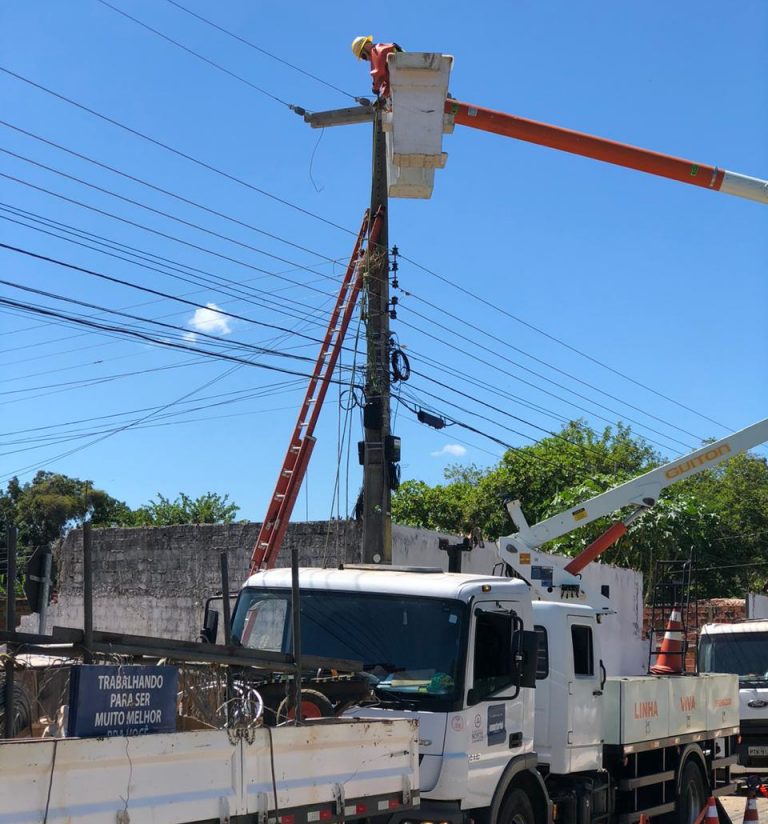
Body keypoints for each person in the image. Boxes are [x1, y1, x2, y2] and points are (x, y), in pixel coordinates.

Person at [351, 36, 403, 100]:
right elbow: (387, 77)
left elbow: (379, 73)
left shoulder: (377, 50)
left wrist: (375, 88)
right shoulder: (382, 50)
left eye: (363, 56)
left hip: (402, 78)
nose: (366, 60)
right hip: (402, 77)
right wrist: (384, 95)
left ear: (366, 46)